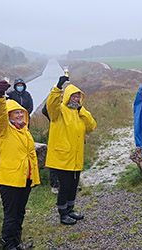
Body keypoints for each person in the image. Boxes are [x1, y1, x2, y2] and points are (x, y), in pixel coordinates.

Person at [0, 80, 40, 250]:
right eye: (15, 113)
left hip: (24, 178)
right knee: (11, 215)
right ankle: (8, 245)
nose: (20, 116)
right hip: (10, 180)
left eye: (21, 113)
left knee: (20, 213)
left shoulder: (24, 129)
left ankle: (17, 243)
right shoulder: (4, 131)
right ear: (9, 115)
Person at [45, 75, 96, 225]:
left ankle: (70, 209)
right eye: (73, 96)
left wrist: (82, 111)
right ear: (67, 97)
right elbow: (51, 105)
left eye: (78, 97)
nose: (75, 99)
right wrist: (58, 87)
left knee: (73, 186)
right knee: (65, 186)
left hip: (76, 157)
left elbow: (91, 126)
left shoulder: (80, 112)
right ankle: (63, 214)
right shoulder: (58, 111)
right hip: (62, 157)